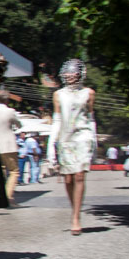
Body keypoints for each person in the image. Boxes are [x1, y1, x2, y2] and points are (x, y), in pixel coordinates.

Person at [47, 59, 96, 235]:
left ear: (80, 73)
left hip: (82, 136)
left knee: (80, 175)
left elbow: (90, 119)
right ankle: (74, 207)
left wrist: (94, 140)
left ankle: (76, 217)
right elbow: (57, 120)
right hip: (65, 138)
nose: (69, 75)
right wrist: (51, 145)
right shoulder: (58, 94)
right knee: (68, 179)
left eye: (73, 72)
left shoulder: (89, 93)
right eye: (67, 72)